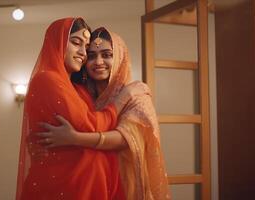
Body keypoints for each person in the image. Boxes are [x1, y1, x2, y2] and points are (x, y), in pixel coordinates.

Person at [16, 18, 147, 200]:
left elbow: (128, 138)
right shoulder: (48, 80)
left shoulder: (80, 88)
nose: (83, 53)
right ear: (58, 42)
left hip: (86, 184)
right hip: (62, 186)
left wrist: (74, 138)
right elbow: (91, 124)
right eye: (77, 43)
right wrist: (122, 99)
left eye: (86, 47)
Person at [37, 27, 171, 200]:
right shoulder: (79, 93)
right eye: (91, 56)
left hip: (125, 181)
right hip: (85, 184)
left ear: (120, 58)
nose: (98, 62)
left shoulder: (136, 94)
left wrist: (75, 138)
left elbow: (125, 138)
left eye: (107, 55)